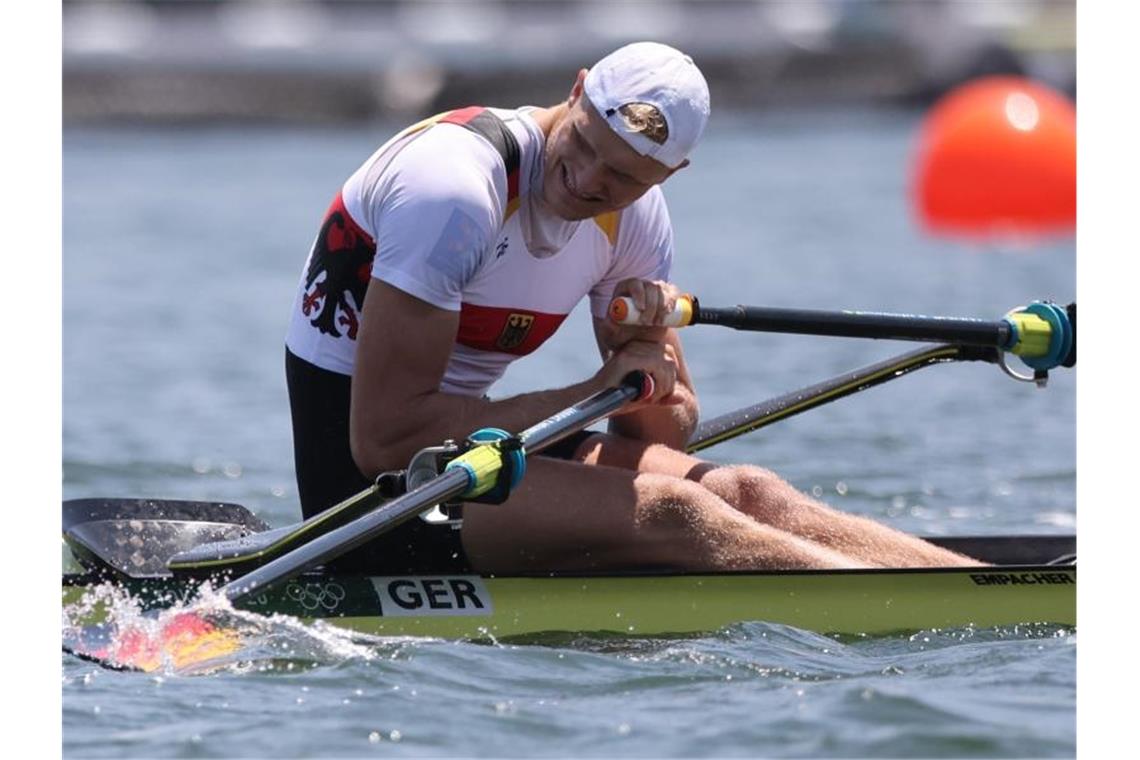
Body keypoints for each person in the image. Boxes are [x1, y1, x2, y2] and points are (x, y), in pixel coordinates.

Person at [284, 41, 981, 574]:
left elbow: (665, 430)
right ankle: (914, 610)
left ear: (670, 174)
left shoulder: (638, 218)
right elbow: (388, 441)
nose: (588, 180)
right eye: (585, 143)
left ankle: (998, 589)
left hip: (473, 452)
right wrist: (594, 392)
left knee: (750, 491)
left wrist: (641, 351)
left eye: (622, 175)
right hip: (368, 494)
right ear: (577, 89)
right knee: (678, 510)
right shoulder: (455, 190)